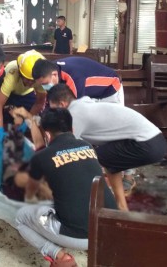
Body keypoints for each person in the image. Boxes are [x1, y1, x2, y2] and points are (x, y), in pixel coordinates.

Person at [15, 108, 117, 267]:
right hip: (111, 227)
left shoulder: (42, 157)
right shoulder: (87, 146)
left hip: (81, 237)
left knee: (21, 217)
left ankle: (60, 257)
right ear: (72, 129)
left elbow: (30, 195)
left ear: (47, 135)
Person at [47, 84, 167, 211]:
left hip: (147, 143)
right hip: (155, 141)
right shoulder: (83, 105)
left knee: (88, 158)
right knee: (109, 161)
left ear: (62, 104)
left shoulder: (74, 114)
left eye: (54, 109)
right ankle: (121, 206)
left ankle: (85, 200)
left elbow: (63, 148)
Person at [0, 50, 47, 142]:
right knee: (4, 118)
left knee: (38, 119)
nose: (30, 83)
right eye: (27, 80)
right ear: (21, 74)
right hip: (10, 92)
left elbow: (39, 103)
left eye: (33, 81)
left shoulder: (41, 78)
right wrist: (0, 131)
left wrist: (27, 122)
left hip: (27, 93)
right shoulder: (12, 75)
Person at [32, 56, 124, 105]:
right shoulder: (51, 70)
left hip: (111, 90)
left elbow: (74, 107)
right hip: (92, 95)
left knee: (112, 130)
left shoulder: (73, 76)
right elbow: (51, 102)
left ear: (54, 75)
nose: (45, 87)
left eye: (45, 84)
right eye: (41, 85)